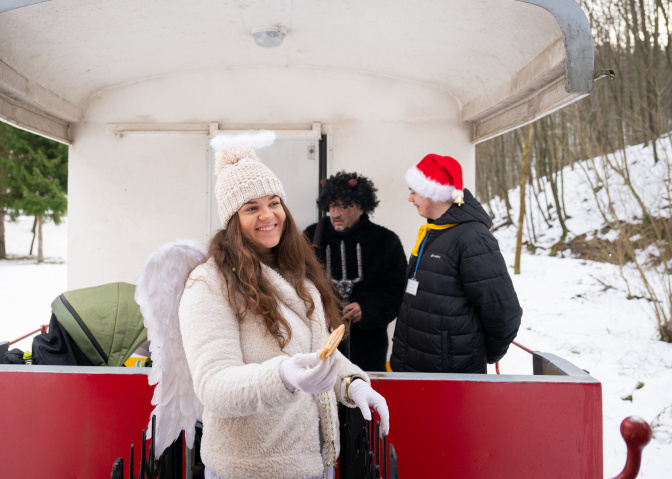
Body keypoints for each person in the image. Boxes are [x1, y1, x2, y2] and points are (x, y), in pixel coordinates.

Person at [178, 131, 389, 479]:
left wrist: (353, 383)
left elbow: (319, 354)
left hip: (311, 461)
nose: (267, 215)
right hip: (248, 469)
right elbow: (213, 386)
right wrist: (283, 377)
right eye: (251, 207)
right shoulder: (209, 282)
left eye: (274, 202)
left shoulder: (297, 271)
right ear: (232, 219)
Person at [390, 154, 522, 374]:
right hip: (414, 367)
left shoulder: (473, 239)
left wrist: (480, 353)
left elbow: (504, 311)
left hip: (451, 378)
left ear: (434, 192)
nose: (410, 199)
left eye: (414, 192)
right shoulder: (434, 232)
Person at [304, 172, 407, 371]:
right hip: (321, 342)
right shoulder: (312, 237)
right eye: (333, 206)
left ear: (361, 207)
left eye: (345, 206)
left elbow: (396, 292)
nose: (336, 214)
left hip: (369, 346)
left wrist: (366, 310)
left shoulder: (385, 241)